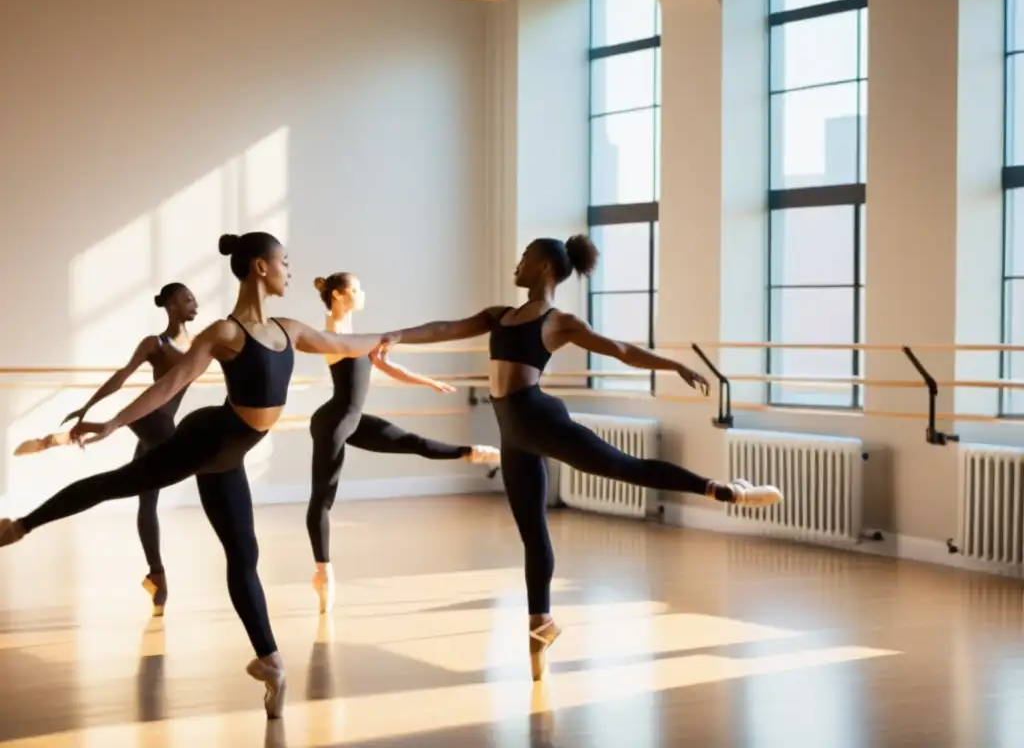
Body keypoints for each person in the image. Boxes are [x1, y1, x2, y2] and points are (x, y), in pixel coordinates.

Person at [0, 231, 395, 719]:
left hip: (228, 454)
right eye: (284, 261)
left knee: (244, 554)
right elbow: (169, 384)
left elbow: (343, 340)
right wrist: (111, 423)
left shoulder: (287, 328)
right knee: (118, 484)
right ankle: (22, 524)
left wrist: (398, 336)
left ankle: (270, 663)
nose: (291, 269)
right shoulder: (224, 333)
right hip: (203, 438)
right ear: (259, 268)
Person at [383, 234, 784, 681]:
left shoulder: (559, 322)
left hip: (540, 420)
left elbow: (622, 350)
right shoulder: (499, 315)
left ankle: (720, 489)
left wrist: (675, 366)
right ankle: (541, 624)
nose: (517, 263)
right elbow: (444, 328)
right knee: (532, 535)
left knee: (623, 467)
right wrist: (397, 335)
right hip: (514, 434)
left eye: (524, 258)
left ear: (546, 269)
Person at [307, 273, 500, 613]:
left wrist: (428, 382)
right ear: (338, 295)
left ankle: (471, 452)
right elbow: (341, 333)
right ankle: (324, 571)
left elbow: (385, 363)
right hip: (333, 423)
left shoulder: (356, 337)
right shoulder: (332, 335)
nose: (363, 293)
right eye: (356, 289)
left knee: (411, 442)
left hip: (352, 419)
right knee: (323, 498)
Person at [14, 283, 199, 616]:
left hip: (157, 429)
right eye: (187, 299)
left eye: (194, 299)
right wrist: (88, 405)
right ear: (171, 305)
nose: (194, 303)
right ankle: (68, 435)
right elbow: (122, 377)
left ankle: (156, 574)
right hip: (153, 420)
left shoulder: (199, 345)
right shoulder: (155, 343)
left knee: (147, 502)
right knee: (136, 428)